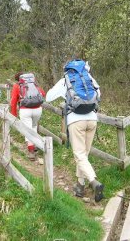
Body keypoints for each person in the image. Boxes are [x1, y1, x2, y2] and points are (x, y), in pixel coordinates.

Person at [46, 60, 104, 202]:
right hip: (92, 119)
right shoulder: (89, 78)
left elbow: (48, 97)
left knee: (79, 155)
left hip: (76, 121)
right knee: (84, 155)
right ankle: (80, 186)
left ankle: (94, 181)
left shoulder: (66, 80)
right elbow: (99, 94)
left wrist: (65, 98)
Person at [10, 71, 46, 161]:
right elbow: (43, 94)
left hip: (25, 110)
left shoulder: (17, 86)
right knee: (33, 126)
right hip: (38, 109)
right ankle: (35, 144)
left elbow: (13, 101)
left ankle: (31, 151)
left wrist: (13, 114)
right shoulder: (33, 84)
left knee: (28, 130)